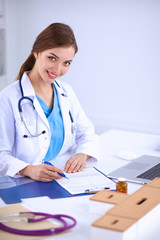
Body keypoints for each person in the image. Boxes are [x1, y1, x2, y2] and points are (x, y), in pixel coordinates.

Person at [0, 23, 100, 182]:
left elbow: (87, 133)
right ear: (37, 52)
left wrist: (82, 154)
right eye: (52, 58)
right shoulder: (8, 98)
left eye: (66, 63)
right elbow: (1, 154)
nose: (58, 69)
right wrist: (28, 170)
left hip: (64, 177)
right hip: (24, 181)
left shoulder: (66, 93)